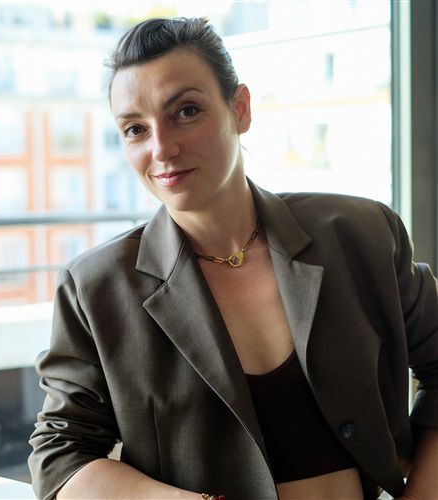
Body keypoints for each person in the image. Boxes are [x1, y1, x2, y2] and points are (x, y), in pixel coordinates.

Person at [29, 17, 438, 500]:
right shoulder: (96, 287)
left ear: (240, 109)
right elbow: (60, 455)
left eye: (185, 111)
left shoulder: (361, 233)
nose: (162, 149)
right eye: (135, 129)